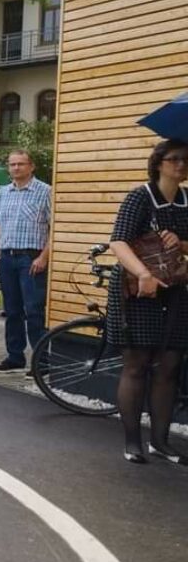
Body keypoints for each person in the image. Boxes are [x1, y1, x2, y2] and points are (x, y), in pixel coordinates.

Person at [107, 140, 188, 464]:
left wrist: (180, 241)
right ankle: (132, 441)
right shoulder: (140, 197)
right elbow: (118, 241)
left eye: (185, 160)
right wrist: (143, 274)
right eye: (174, 159)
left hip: (176, 288)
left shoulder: (186, 200)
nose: (180, 165)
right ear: (158, 163)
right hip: (138, 290)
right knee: (137, 364)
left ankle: (161, 441)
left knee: (170, 365)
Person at [0, 150, 52, 373]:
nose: (16, 168)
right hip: (7, 256)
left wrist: (44, 256)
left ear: (31, 166)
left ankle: (42, 361)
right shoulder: (3, 192)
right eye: (12, 164)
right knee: (12, 310)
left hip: (31, 257)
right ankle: (15, 356)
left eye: (20, 164)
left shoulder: (46, 191)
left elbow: (55, 227)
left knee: (34, 309)